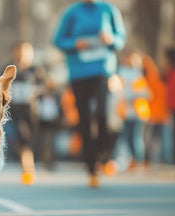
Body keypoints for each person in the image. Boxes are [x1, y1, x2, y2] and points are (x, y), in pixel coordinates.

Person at [52, 0, 126, 188]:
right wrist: (75, 43)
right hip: (78, 74)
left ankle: (102, 152)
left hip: (103, 71)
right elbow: (58, 40)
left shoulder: (108, 9)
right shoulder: (72, 12)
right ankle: (91, 166)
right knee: (84, 119)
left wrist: (111, 40)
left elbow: (121, 38)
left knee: (103, 113)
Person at [3, 41, 48, 185]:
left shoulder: (36, 70)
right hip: (14, 112)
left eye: (26, 52)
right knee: (22, 138)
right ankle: (28, 169)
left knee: (29, 140)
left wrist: (38, 90)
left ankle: (27, 166)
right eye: (20, 52)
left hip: (32, 111)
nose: (23, 56)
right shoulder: (8, 69)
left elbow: (46, 86)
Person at [116, 51, 165, 171]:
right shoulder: (122, 75)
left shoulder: (139, 75)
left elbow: (147, 94)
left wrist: (133, 97)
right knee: (127, 138)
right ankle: (131, 161)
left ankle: (138, 161)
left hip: (138, 112)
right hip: (126, 112)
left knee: (136, 138)